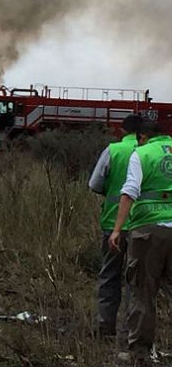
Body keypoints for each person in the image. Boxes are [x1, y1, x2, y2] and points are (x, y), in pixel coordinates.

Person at [109, 120, 172, 362]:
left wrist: (117, 230)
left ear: (143, 137)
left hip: (148, 231)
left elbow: (130, 192)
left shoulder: (142, 154)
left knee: (143, 292)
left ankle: (139, 352)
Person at [89, 114, 143, 338]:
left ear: (122, 131)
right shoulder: (148, 153)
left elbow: (95, 184)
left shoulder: (113, 150)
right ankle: (130, 331)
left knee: (110, 275)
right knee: (136, 280)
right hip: (142, 223)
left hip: (113, 224)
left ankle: (105, 327)